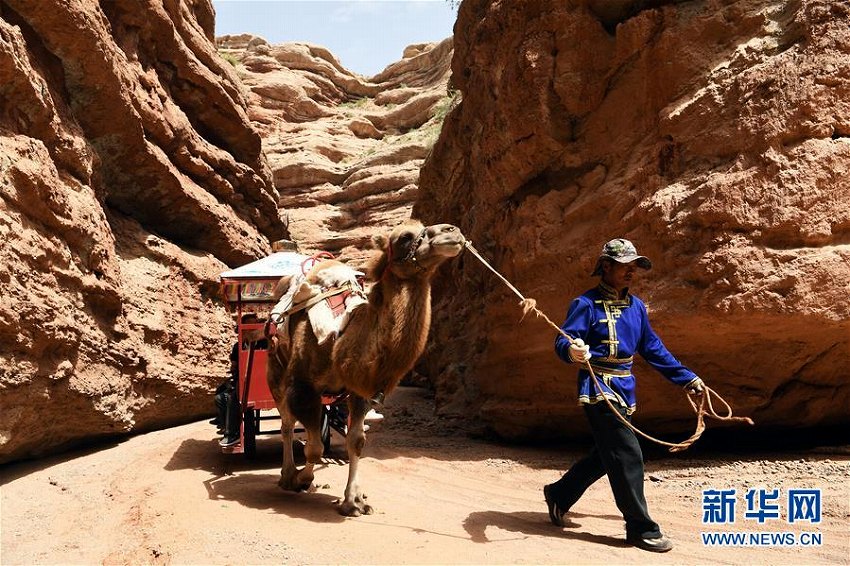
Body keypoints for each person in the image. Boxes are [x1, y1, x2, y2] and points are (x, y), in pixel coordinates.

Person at [544, 238, 705, 553]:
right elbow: (563, 342)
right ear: (606, 266)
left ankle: (559, 494)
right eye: (624, 266)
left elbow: (653, 348)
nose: (631, 272)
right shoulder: (585, 304)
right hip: (598, 387)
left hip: (625, 388)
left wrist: (687, 378)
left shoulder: (638, 307)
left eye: (635, 266)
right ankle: (641, 527)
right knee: (627, 454)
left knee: (607, 454)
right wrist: (573, 351)